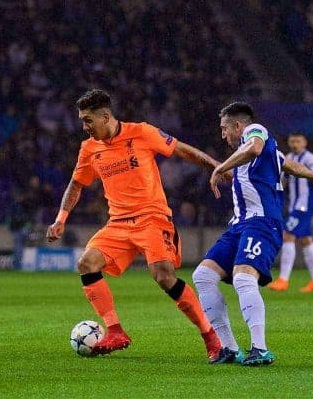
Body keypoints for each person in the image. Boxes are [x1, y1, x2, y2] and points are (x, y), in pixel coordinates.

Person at [46, 89, 223, 360]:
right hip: (118, 223)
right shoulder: (89, 148)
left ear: (106, 117)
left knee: (163, 277)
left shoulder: (141, 132)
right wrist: (60, 220)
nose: (84, 127)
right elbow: (77, 183)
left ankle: (211, 337)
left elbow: (180, 149)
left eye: (88, 120)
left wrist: (216, 166)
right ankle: (115, 331)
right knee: (86, 264)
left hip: (152, 218)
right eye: (83, 120)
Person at [192, 103, 313, 366]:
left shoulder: (255, 132)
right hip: (240, 224)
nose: (222, 135)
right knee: (203, 275)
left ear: (239, 126)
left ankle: (260, 348)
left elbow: (254, 147)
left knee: (244, 277)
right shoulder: (257, 155)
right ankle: (229, 348)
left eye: (224, 129)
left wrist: (220, 168)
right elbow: (285, 163)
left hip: (263, 222)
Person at [269, 132, 313, 292]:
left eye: (298, 141)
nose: (294, 144)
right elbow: (283, 181)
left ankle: (283, 279)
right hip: (294, 206)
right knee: (306, 240)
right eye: (292, 141)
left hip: (304, 206)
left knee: (287, 235)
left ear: (304, 142)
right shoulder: (287, 157)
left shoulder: (310, 159)